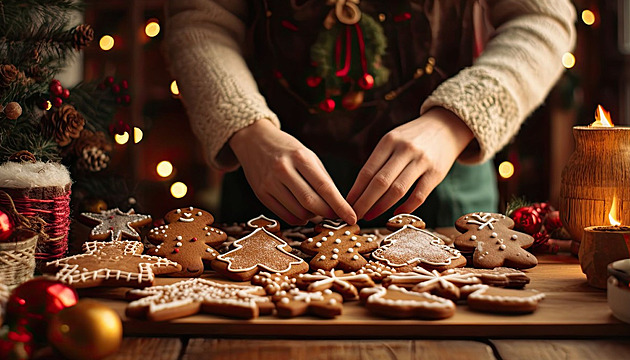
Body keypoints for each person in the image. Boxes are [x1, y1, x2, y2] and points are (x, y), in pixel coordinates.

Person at [165, 0, 576, 227]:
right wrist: (245, 128)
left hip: (444, 192)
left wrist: (453, 122)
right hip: (269, 184)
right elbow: (198, 20)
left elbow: (542, 18)